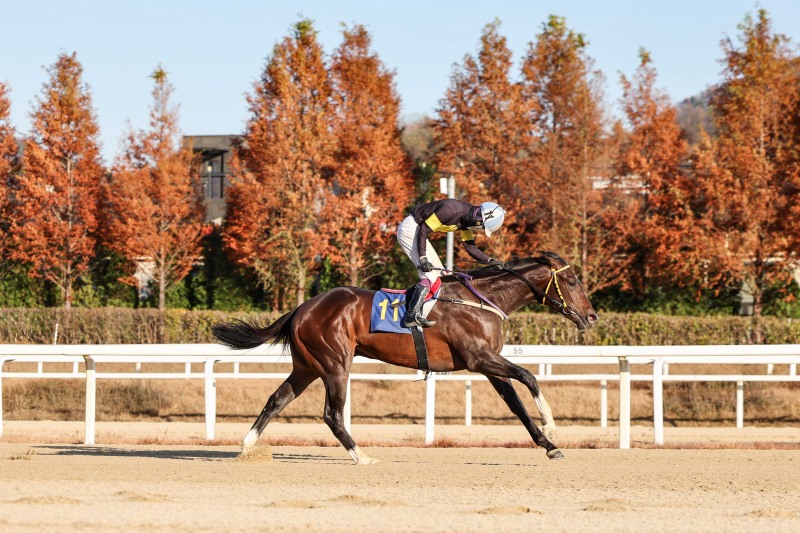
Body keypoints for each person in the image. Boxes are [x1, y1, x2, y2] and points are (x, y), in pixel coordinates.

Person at [396, 198, 506, 328]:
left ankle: (431, 313)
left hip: (419, 231)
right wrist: (423, 258)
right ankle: (411, 315)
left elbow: (470, 247)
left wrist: (490, 261)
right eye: (482, 227)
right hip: (410, 229)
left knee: (443, 275)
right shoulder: (451, 210)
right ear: (479, 220)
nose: (480, 230)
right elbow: (424, 228)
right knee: (430, 275)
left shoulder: (466, 222)